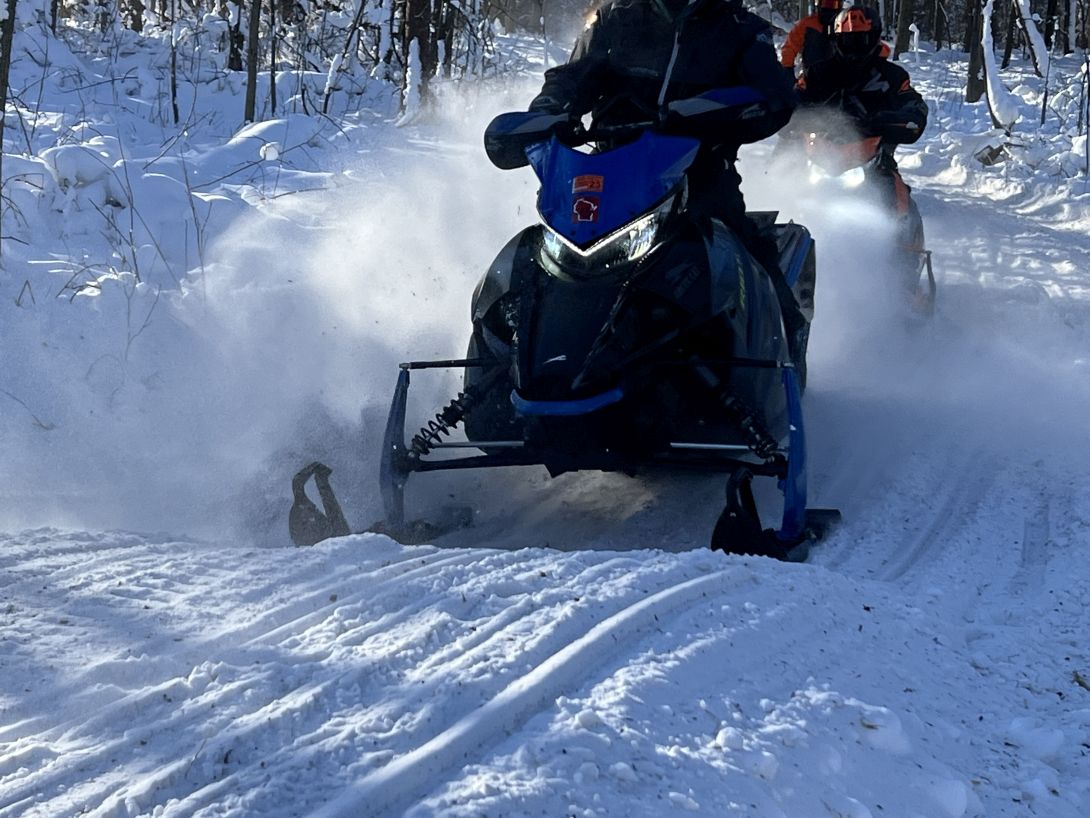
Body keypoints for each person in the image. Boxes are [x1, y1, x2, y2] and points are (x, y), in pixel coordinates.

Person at [528, 0, 807, 352]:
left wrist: (706, 113)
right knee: (544, 256)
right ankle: (513, 354)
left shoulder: (743, 30)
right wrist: (549, 109)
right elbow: (574, 75)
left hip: (699, 173)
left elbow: (773, 98)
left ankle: (783, 354)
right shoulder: (615, 17)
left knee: (751, 260)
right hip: (610, 174)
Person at [796, 6, 927, 219]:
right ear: (836, 40)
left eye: (860, 40)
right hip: (819, 153)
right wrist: (793, 115)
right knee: (783, 184)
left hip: (871, 156)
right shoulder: (816, 74)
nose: (853, 47)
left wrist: (898, 120)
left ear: (873, 38)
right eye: (847, 40)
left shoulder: (892, 76)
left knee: (897, 201)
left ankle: (906, 249)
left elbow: (914, 105)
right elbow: (791, 101)